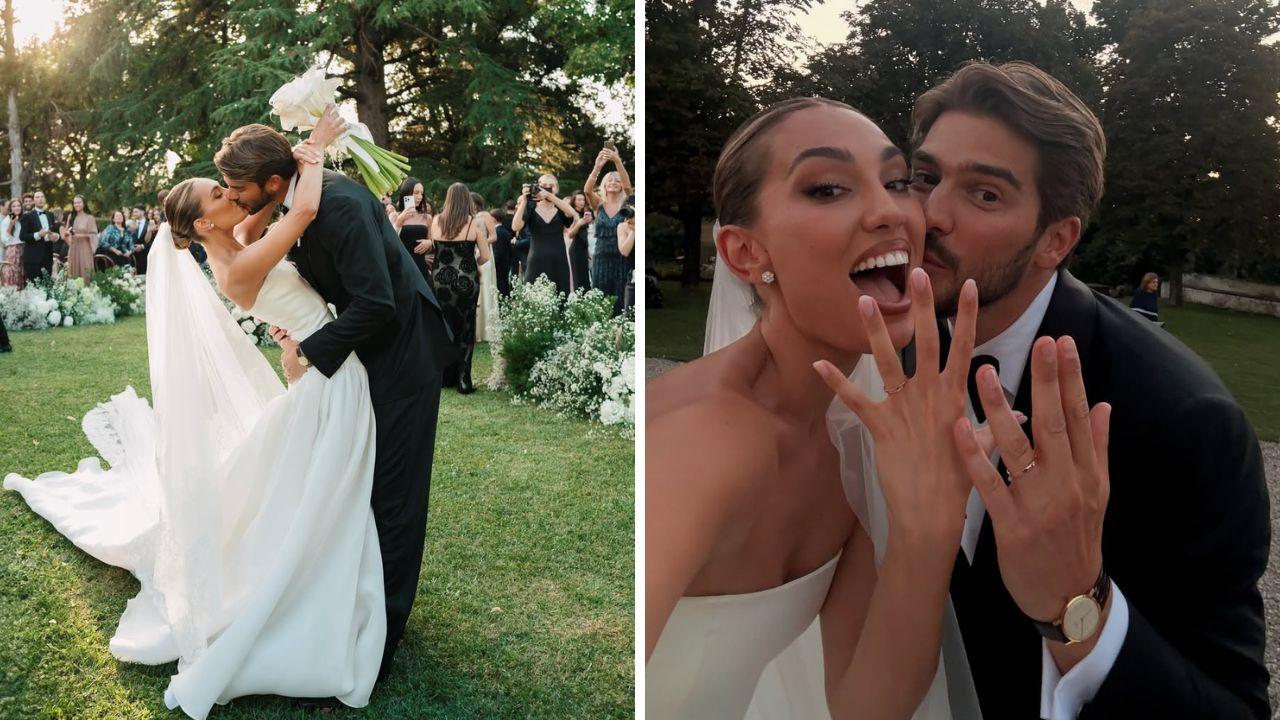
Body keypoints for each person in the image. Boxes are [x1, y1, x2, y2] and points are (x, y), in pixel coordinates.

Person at [904, 61, 1268, 718]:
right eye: (925, 178)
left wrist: (1078, 607)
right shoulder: (888, 345)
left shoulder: (1183, 421)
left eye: (984, 194)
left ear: (1055, 240)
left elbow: (1231, 708)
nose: (931, 213)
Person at [3, 107, 386, 717]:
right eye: (220, 192)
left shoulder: (234, 239)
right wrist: (312, 146)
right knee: (319, 492)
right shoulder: (234, 267)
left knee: (297, 489)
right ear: (205, 218)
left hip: (322, 367)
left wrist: (290, 159)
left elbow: (271, 201)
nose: (232, 193)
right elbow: (304, 209)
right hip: (329, 379)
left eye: (231, 186)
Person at [648, 97, 998, 719]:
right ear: (746, 255)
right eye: (829, 188)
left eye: (896, 182)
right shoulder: (699, 446)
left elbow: (865, 705)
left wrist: (929, 525)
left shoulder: (854, 434)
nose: (891, 211)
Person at [215, 114, 456, 692]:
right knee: (362, 488)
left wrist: (309, 350)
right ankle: (357, 608)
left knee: (393, 496)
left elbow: (376, 303)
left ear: (273, 185)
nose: (234, 198)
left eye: (239, 189)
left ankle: (381, 642)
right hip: (366, 357)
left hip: (402, 358)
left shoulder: (339, 205)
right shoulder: (299, 199)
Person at [430, 182, 491, 394]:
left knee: (445, 327)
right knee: (466, 328)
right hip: (466, 281)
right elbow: (485, 255)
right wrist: (471, 263)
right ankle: (464, 380)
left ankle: (445, 377)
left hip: (440, 281)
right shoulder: (473, 223)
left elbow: (434, 249)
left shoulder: (436, 221)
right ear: (466, 200)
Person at [511, 174, 577, 294]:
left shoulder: (561, 207)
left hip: (559, 260)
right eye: (543, 186)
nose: (546, 188)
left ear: (556, 188)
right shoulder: (531, 207)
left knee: (561, 299)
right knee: (533, 299)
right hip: (536, 259)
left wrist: (550, 196)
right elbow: (515, 226)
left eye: (550, 186)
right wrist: (524, 200)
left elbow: (571, 213)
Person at [584, 153, 633, 313]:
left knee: (620, 294)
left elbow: (628, 188)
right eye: (610, 180)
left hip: (621, 256)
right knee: (600, 295)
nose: (613, 182)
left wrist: (618, 161)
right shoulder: (598, 205)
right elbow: (587, 190)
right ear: (604, 185)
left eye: (616, 181)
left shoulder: (626, 205)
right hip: (601, 256)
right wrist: (598, 166)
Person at [391, 176, 433, 287]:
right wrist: (399, 221)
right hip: (401, 269)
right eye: (416, 193)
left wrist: (430, 243)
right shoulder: (395, 216)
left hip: (421, 267)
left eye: (422, 193)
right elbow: (388, 243)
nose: (420, 197)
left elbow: (433, 244)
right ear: (406, 194)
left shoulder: (427, 218)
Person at [470, 192, 501, 344]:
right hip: (470, 254)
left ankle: (488, 331)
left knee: (486, 290)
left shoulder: (485, 215)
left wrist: (480, 243)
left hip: (484, 254)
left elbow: (494, 236)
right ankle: (475, 331)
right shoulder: (467, 216)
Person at [19, 191, 59, 282]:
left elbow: (54, 233)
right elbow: (22, 236)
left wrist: (55, 237)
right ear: (33, 201)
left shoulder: (50, 215)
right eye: (37, 197)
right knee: (33, 286)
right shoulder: (27, 216)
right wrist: (38, 235)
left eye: (42, 197)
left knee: (47, 285)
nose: (40, 199)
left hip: (48, 257)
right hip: (33, 258)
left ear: (45, 199)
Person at [63, 195, 98, 283]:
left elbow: (93, 234)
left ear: (84, 204)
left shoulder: (89, 218)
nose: (76, 204)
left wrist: (79, 235)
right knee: (72, 271)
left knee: (85, 270)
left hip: (85, 248)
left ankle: (87, 293)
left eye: (79, 202)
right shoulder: (71, 216)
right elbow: (66, 232)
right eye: (75, 203)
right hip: (73, 247)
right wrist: (67, 234)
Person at [565, 191, 592, 291]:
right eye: (579, 199)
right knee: (578, 278)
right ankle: (578, 301)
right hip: (575, 248)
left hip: (584, 248)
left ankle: (586, 301)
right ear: (574, 201)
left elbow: (585, 234)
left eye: (583, 200)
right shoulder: (572, 214)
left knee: (585, 277)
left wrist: (588, 251)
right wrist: (579, 224)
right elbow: (570, 234)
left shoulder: (583, 213)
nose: (582, 202)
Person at [490, 204, 514, 297]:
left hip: (499, 264)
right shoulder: (506, 232)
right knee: (504, 283)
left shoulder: (497, 233)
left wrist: (493, 263)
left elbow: (497, 252)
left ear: (493, 219)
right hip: (506, 262)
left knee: (500, 285)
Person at [1, 198, 24, 287]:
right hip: (13, 250)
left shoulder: (23, 219)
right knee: (12, 274)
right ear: (10, 208)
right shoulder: (7, 220)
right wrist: (11, 224)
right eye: (13, 206)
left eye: (18, 206)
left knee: (21, 273)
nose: (16, 208)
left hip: (24, 249)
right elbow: (4, 239)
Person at [132, 205, 155, 274]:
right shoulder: (131, 223)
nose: (134, 214)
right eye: (133, 212)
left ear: (142, 212)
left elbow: (152, 239)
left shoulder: (150, 223)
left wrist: (142, 246)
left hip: (145, 253)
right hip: (133, 254)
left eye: (136, 212)